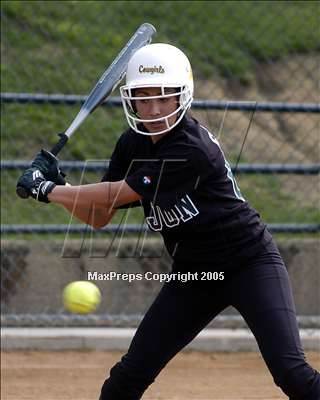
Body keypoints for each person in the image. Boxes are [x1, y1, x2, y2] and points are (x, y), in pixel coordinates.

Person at [17, 43, 320, 400]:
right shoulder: (132, 144)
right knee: (128, 376)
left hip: (249, 264)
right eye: (143, 99)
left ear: (183, 98)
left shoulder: (192, 148)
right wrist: (63, 187)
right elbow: (99, 215)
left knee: (292, 373)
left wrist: (49, 189)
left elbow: (118, 193)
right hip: (194, 276)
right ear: (131, 102)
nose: (154, 109)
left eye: (165, 98)